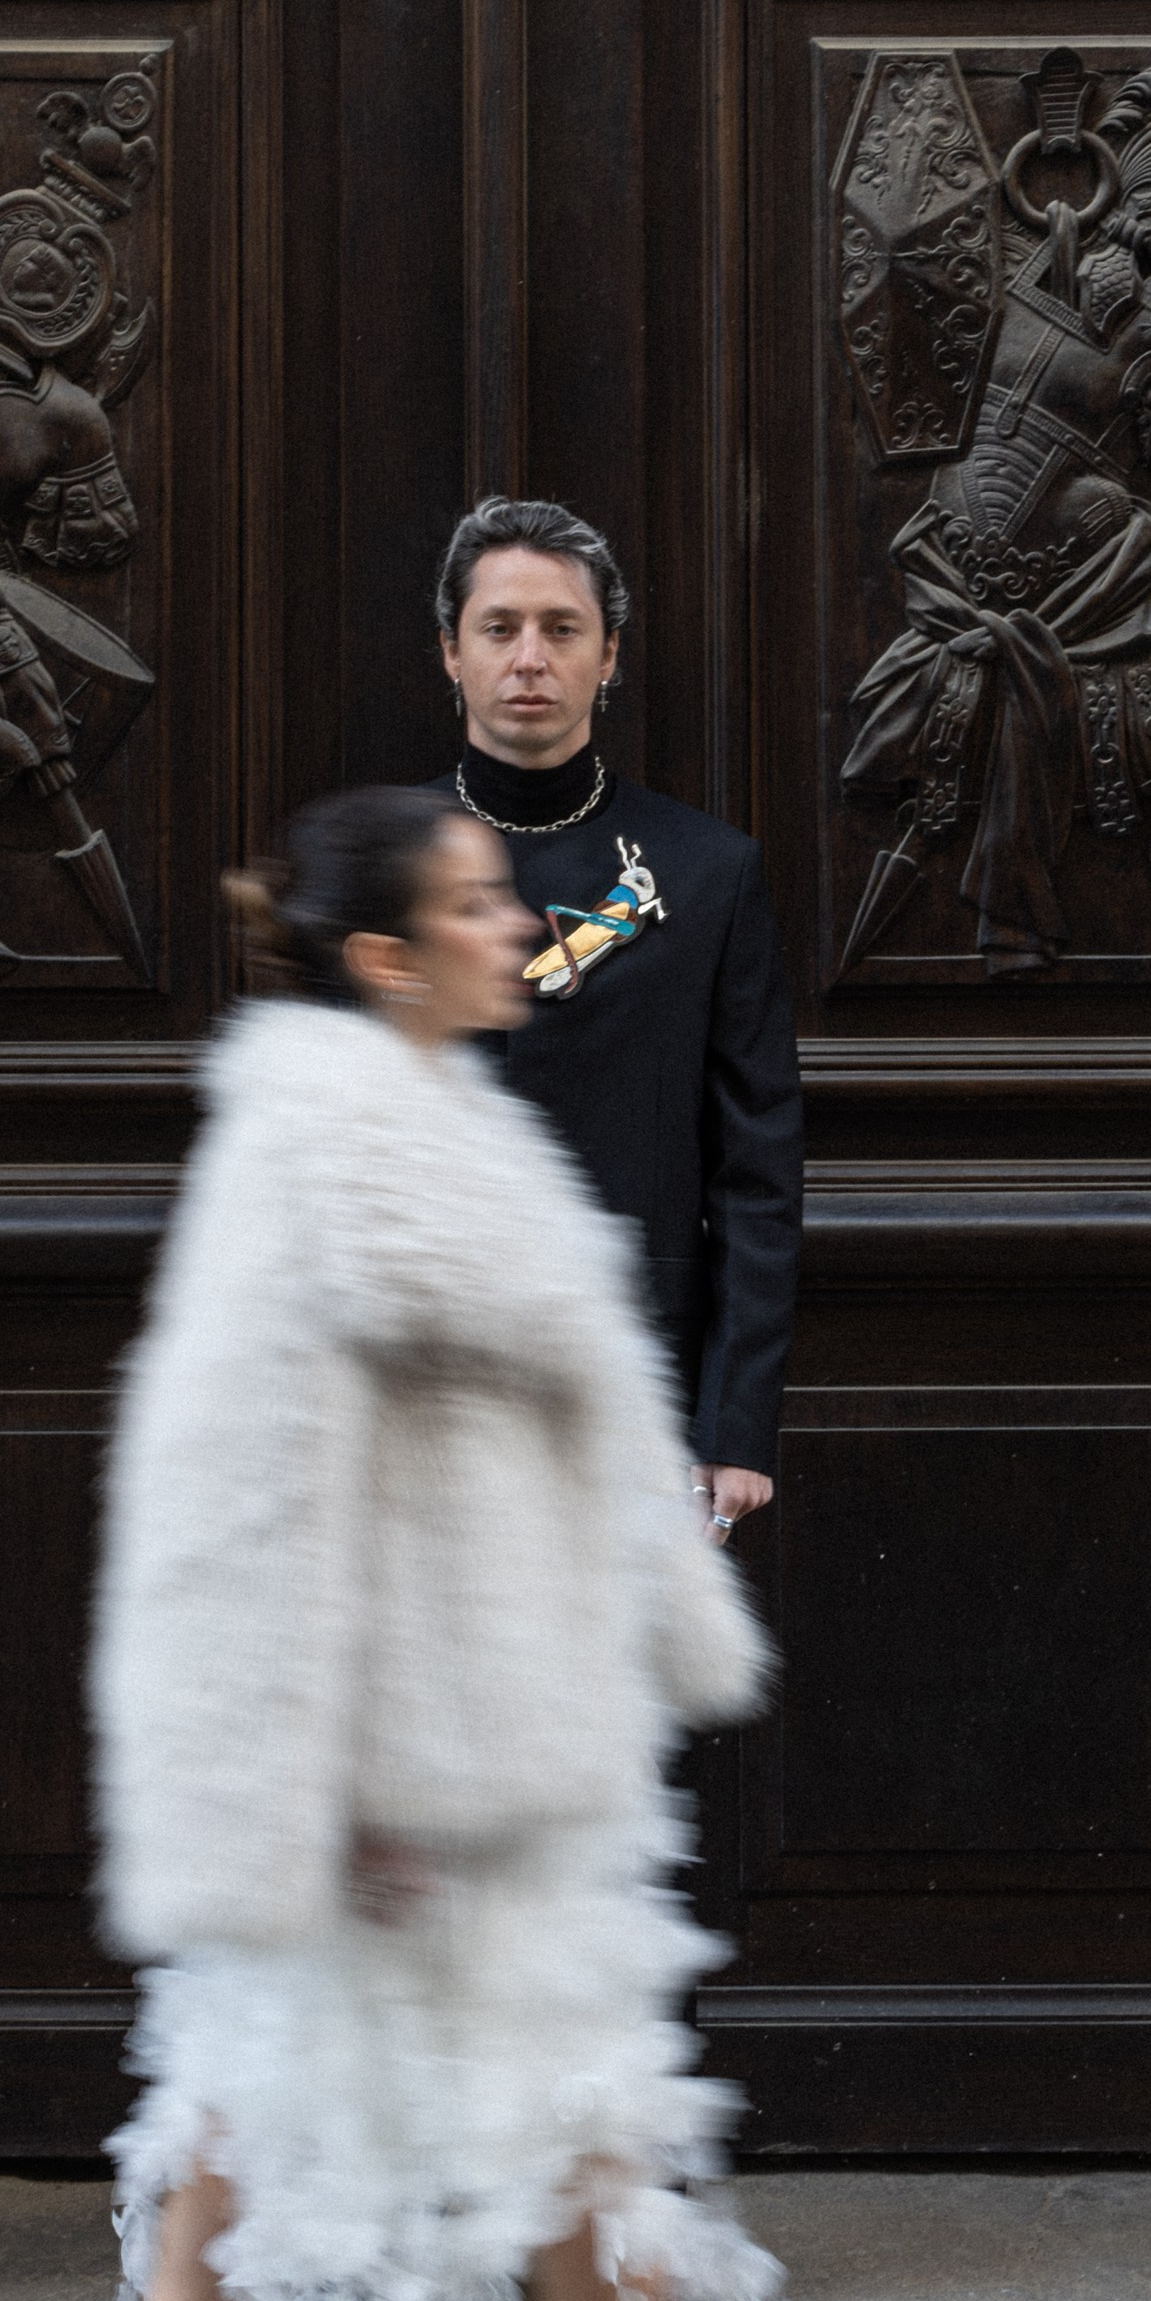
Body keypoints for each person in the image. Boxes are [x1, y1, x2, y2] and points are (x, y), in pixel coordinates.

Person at [73, 787, 866, 2301]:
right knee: (595, 2160)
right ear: (382, 958)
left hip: (472, 1760)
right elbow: (241, 1509)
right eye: (475, 902)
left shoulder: (426, 1129)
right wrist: (321, 1799)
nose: (521, 921)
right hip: (427, 1793)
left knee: (251, 2115)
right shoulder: (333, 1160)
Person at [434, 501, 801, 1541]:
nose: (529, 659)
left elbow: (756, 1163)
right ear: (451, 655)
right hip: (432, 1380)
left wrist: (734, 1420)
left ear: (610, 658)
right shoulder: (391, 866)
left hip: (638, 1374)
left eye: (562, 628)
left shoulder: (707, 870)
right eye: (498, 628)